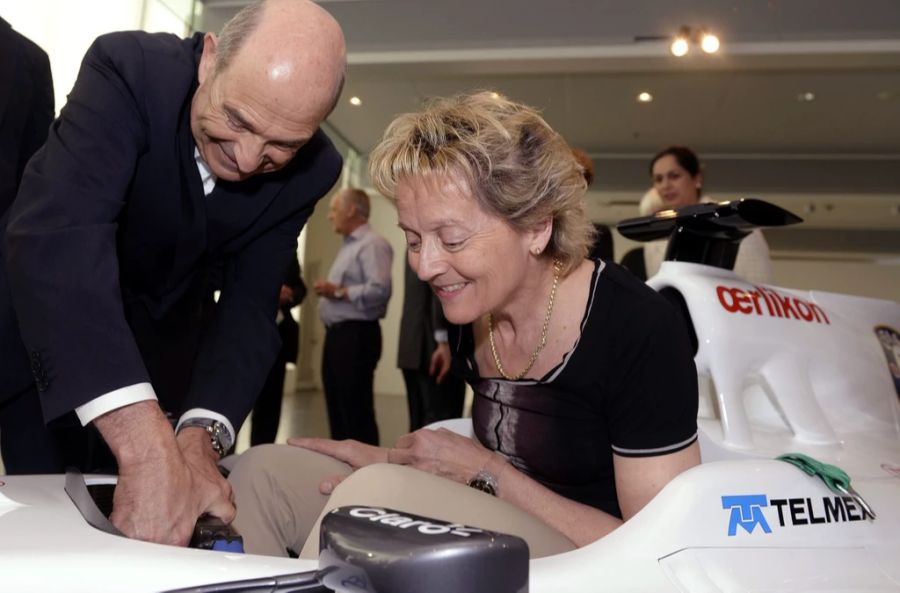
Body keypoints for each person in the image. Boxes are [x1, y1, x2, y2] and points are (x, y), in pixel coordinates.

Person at [228, 91, 701, 559]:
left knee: (376, 499)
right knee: (260, 473)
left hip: (590, 555)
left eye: (451, 239)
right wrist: (395, 459)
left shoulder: (638, 329)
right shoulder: (475, 307)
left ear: (536, 226)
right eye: (414, 240)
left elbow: (662, 545)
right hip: (493, 506)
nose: (426, 266)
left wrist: (486, 472)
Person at [0, 0, 346, 548]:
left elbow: (248, 310)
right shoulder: (129, 69)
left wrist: (197, 441)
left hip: (166, 361)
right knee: (44, 522)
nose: (250, 158)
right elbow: (58, 235)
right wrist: (144, 445)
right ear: (210, 59)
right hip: (48, 335)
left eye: (284, 144)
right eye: (237, 119)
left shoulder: (317, 169)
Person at [314, 188, 393, 445]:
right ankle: (342, 472)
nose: (329, 216)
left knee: (355, 412)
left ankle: (365, 475)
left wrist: (336, 291)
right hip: (338, 337)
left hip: (356, 337)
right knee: (338, 410)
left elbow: (380, 290)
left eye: (334, 209)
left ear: (351, 210)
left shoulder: (373, 245)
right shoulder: (348, 246)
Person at [645, 146, 773, 283]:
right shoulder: (654, 236)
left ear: (697, 178)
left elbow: (760, 284)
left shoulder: (735, 221)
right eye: (658, 179)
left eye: (674, 176)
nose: (665, 185)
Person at [398, 260, 465, 431]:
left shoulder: (412, 245)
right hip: (433, 348)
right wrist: (443, 341)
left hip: (412, 344)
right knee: (440, 426)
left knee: (419, 424)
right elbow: (440, 288)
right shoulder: (435, 242)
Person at [250, 255, 306, 445]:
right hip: (248, 331)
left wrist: (289, 294)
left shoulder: (288, 249)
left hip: (277, 336)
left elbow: (300, 288)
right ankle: (223, 457)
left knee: (271, 401)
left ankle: (261, 450)